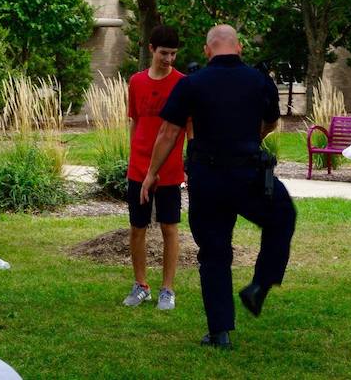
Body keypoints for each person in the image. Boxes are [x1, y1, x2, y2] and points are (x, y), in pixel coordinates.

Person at [140, 24, 296, 349]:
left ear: (207, 50)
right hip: (249, 175)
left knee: (214, 252)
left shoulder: (191, 84)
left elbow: (168, 132)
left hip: (207, 178)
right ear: (239, 48)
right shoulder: (258, 80)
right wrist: (252, 137)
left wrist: (152, 173)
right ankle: (260, 285)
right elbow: (271, 121)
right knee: (282, 216)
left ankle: (219, 332)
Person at [122, 25, 186, 310]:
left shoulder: (183, 84)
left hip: (170, 169)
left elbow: (188, 127)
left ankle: (167, 290)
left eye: (173, 54)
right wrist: (133, 155)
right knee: (137, 227)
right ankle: (141, 285)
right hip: (139, 168)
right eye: (164, 53)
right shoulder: (136, 81)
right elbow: (136, 120)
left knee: (169, 228)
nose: (168, 59)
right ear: (151, 49)